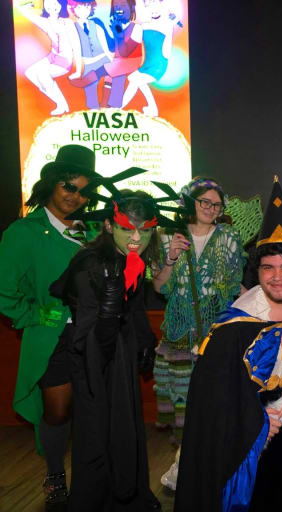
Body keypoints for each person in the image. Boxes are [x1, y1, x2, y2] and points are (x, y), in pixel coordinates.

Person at [175, 178, 282, 511]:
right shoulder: (232, 327)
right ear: (258, 270)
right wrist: (257, 424)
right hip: (247, 454)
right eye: (268, 268)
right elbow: (213, 404)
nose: (277, 277)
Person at [48, 173, 167, 511]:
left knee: (126, 424)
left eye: (144, 230)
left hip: (121, 352)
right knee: (98, 430)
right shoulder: (90, 265)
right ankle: (98, 502)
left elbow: (135, 310)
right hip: (93, 359)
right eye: (127, 227)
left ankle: (128, 494)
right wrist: (107, 316)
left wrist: (143, 342)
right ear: (106, 225)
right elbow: (87, 336)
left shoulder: (130, 261)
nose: (136, 238)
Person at [0, 144, 98, 511]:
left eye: (83, 190)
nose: (75, 196)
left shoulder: (92, 231)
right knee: (57, 411)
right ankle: (55, 476)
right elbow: (4, 290)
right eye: (68, 187)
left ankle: (92, 478)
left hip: (93, 337)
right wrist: (36, 316)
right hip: (52, 339)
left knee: (91, 411)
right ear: (52, 185)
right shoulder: (24, 231)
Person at [151, 177, 246, 489]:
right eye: (204, 202)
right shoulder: (167, 236)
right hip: (179, 334)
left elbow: (234, 286)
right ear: (188, 203)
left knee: (216, 403)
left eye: (216, 204)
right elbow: (159, 287)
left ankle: (212, 466)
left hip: (216, 333)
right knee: (185, 406)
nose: (210, 208)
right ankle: (184, 465)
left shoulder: (229, 236)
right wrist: (171, 259)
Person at [15, 0, 74, 115]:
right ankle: (60, 102)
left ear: (61, 5)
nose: (52, 6)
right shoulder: (45, 22)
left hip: (65, 60)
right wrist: (27, 6)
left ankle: (61, 104)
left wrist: (77, 70)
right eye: (48, 4)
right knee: (30, 73)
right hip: (52, 57)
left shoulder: (67, 22)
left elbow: (76, 44)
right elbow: (27, 14)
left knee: (43, 75)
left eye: (55, 3)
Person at [67, 0, 113, 109]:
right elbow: (76, 50)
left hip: (103, 59)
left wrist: (111, 58)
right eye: (79, 8)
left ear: (91, 8)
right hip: (88, 64)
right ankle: (95, 109)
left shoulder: (96, 25)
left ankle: (105, 103)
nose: (84, 11)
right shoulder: (73, 28)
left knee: (111, 75)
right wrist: (78, 71)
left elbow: (104, 44)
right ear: (74, 9)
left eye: (87, 7)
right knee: (91, 99)